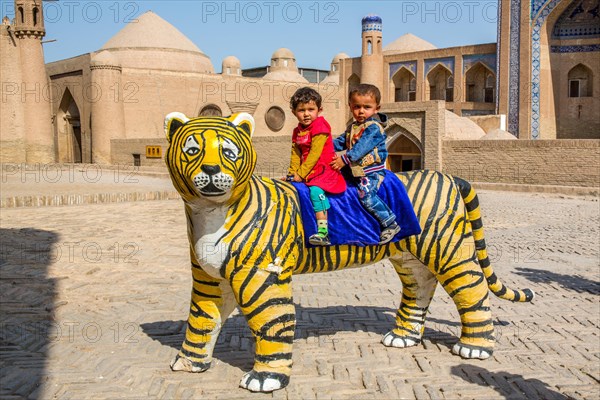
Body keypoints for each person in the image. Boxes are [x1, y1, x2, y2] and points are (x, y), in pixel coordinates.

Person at [330, 83, 401, 244]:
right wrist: (322, 144)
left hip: (370, 172)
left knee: (366, 196)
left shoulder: (374, 128)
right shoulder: (353, 127)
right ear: (350, 106)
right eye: (357, 107)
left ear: (377, 108)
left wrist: (344, 159)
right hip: (354, 170)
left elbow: (361, 148)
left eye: (367, 107)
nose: (361, 111)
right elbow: (341, 142)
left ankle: (390, 223)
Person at [287, 87, 346, 246]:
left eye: (311, 109)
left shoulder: (320, 126)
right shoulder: (297, 131)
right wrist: (292, 173)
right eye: (301, 110)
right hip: (307, 171)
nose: (306, 114)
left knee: (315, 191)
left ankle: (323, 233)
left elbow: (315, 154)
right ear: (294, 112)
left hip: (323, 170)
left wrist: (301, 174)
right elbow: (295, 154)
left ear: (319, 110)